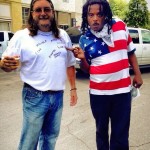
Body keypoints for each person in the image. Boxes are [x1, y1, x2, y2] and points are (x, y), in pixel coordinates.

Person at [1, 0, 77, 149]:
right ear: (32, 14)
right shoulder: (22, 36)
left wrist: (73, 88)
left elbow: (70, 63)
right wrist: (3, 64)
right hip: (34, 96)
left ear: (52, 12)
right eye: (38, 10)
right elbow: (7, 63)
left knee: (50, 139)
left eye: (47, 9)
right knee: (29, 142)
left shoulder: (62, 35)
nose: (43, 13)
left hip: (57, 97)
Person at [69, 0, 143, 150]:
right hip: (98, 95)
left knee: (121, 135)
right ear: (86, 17)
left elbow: (131, 52)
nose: (95, 18)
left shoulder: (120, 26)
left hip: (122, 93)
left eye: (99, 14)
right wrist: (83, 59)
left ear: (106, 15)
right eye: (91, 15)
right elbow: (87, 70)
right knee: (101, 132)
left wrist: (138, 73)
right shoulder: (85, 39)